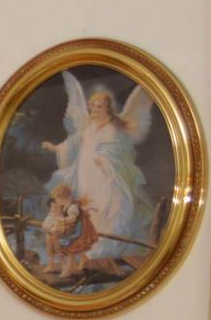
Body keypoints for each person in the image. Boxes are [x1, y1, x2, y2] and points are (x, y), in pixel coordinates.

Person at [39, 75, 158, 264]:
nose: (95, 110)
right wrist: (56, 148)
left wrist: (105, 160)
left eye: (99, 106)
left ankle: (107, 247)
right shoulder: (88, 123)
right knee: (89, 207)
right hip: (86, 170)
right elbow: (74, 141)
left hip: (108, 173)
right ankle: (88, 246)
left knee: (111, 205)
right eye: (93, 106)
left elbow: (121, 149)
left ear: (107, 107)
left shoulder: (117, 126)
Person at [38, 184, 99, 277]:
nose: (56, 201)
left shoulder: (72, 207)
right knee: (70, 246)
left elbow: (72, 219)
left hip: (78, 230)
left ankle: (68, 270)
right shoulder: (65, 205)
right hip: (70, 229)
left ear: (62, 197)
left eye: (57, 198)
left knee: (71, 249)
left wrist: (62, 220)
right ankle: (83, 259)